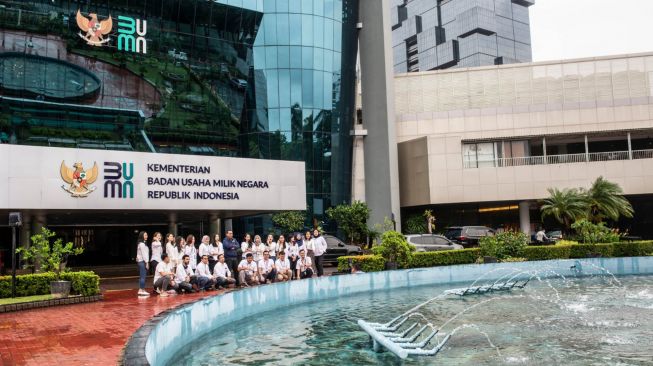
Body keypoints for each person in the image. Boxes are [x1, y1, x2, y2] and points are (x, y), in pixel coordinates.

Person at [136, 231, 150, 296]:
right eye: (145, 235)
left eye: (146, 235)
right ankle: (141, 289)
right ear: (142, 236)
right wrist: (147, 262)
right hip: (142, 261)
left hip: (141, 261)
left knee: (142, 276)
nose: (146, 236)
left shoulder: (142, 244)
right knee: (143, 276)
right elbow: (144, 254)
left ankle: (142, 289)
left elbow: (138, 254)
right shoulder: (142, 244)